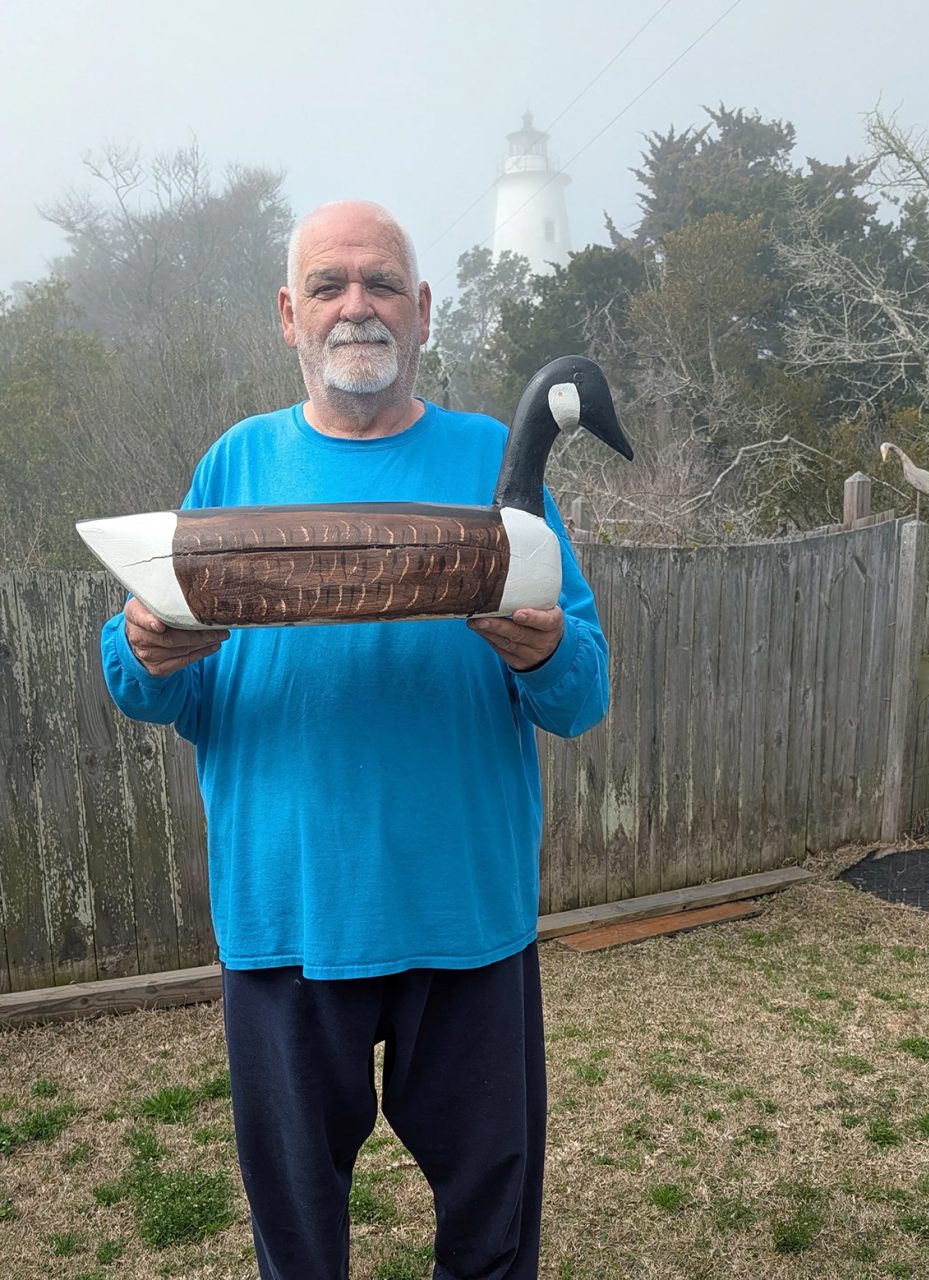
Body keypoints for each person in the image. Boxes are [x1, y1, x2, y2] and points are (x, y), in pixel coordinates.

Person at [101, 200, 612, 1280]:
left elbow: (582, 692)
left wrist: (537, 650)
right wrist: (143, 651)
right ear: (289, 314)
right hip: (285, 917)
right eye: (328, 285)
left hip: (466, 918)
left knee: (491, 1228)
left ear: (421, 311)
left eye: (380, 282)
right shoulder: (235, 467)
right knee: (296, 1241)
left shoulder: (496, 466)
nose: (355, 305)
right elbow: (152, 687)